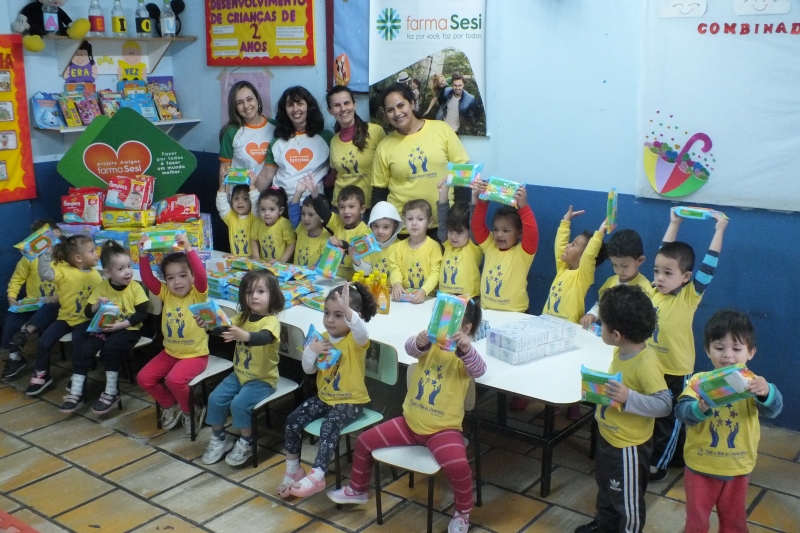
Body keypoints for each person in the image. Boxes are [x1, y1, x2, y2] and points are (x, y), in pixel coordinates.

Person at [327, 300, 485, 533]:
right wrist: (419, 340)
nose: (440, 324)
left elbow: (479, 370)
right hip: (409, 423)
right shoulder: (429, 345)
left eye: (449, 321)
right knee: (364, 441)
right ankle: (358, 489)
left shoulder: (463, 357)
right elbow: (410, 348)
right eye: (437, 317)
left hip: (443, 430)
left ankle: (462, 513)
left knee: (459, 467)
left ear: (466, 329)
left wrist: (467, 349)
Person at [575, 285, 671, 533]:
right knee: (606, 488)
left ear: (616, 334)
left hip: (628, 446)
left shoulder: (646, 363)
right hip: (609, 436)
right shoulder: (623, 350)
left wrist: (629, 398)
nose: (600, 326)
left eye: (602, 323)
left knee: (626, 499)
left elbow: (664, 404)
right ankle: (604, 524)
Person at [676, 310, 782, 533]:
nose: (728, 356)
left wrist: (767, 392)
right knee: (696, 522)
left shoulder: (753, 384)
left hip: (738, 468)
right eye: (719, 348)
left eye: (737, 348)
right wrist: (700, 406)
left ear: (751, 352)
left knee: (735, 522)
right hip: (700, 467)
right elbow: (682, 412)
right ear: (707, 350)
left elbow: (773, 409)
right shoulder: (698, 382)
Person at [648, 208, 728, 482]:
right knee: (652, 416)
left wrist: (719, 231)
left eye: (667, 273)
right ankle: (673, 453)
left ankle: (660, 463)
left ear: (685, 277)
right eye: (657, 271)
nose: (659, 277)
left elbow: (709, 264)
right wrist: (674, 222)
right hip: (651, 368)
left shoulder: (689, 296)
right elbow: (664, 251)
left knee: (669, 421)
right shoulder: (652, 290)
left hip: (676, 371)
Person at [278, 282, 377, 498]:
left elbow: (362, 331)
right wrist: (311, 351)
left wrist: (349, 312)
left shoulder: (356, 340)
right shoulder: (319, 337)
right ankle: (294, 470)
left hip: (352, 401)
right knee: (292, 420)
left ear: (352, 316)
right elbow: (308, 368)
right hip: (325, 398)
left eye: (339, 315)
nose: (330, 319)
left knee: (329, 425)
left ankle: (318, 474)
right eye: (326, 313)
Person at [200, 270, 285, 467]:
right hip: (239, 375)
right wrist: (209, 325)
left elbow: (264, 337)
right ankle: (220, 438)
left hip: (262, 379)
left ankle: (247, 442)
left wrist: (243, 335)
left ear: (273, 295)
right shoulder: (241, 318)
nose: (254, 296)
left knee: (238, 404)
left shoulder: (271, 321)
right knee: (215, 398)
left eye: (261, 291)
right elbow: (224, 330)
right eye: (249, 292)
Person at [61, 241, 149, 414]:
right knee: (83, 348)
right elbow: (87, 312)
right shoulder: (102, 287)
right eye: (121, 269)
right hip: (105, 329)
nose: (128, 272)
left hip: (128, 330)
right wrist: (96, 306)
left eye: (129, 266)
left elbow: (141, 314)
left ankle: (111, 392)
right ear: (108, 272)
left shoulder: (135, 287)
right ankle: (77, 391)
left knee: (110, 350)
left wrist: (120, 325)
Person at [372, 83, 472, 233]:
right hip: (403, 230)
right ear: (386, 115)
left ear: (412, 103)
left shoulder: (441, 129)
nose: (397, 113)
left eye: (401, 105)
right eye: (390, 110)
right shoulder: (384, 146)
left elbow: (463, 172)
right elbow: (379, 192)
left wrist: (459, 217)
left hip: (444, 225)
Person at [136, 234, 209, 436]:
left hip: (195, 355)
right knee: (144, 378)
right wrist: (142, 254)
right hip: (170, 353)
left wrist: (189, 249)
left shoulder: (198, 293)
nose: (177, 282)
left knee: (174, 380)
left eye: (183, 275)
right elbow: (148, 279)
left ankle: (191, 410)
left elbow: (202, 276)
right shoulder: (166, 293)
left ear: (192, 276)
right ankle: (173, 405)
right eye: (170, 277)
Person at [26, 236, 101, 396]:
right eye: (92, 251)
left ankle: (78, 377)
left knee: (79, 346)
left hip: (85, 321)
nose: (97, 254)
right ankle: (41, 375)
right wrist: (45, 254)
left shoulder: (96, 275)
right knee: (44, 342)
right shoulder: (65, 271)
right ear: (78, 258)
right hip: (65, 318)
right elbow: (46, 273)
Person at [255, 86, 333, 200]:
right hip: (280, 203)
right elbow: (266, 176)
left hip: (313, 205)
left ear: (309, 107)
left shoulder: (326, 137)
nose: (295, 109)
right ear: (285, 110)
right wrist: (252, 200)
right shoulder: (277, 141)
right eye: (290, 105)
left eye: (300, 103)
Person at [3, 220, 59, 379]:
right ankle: (15, 358)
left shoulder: (63, 259)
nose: (55, 244)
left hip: (53, 305)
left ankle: (41, 370)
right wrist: (11, 297)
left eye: (58, 239)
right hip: (32, 303)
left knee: (42, 325)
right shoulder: (29, 260)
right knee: (11, 322)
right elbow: (17, 279)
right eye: (50, 240)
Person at [471, 182, 538, 312]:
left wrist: (523, 207)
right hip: (487, 311)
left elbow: (532, 233)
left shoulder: (523, 253)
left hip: (516, 314)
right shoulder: (490, 246)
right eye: (495, 229)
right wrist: (483, 201)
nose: (499, 234)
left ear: (519, 233)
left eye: (506, 230)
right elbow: (477, 226)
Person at [543, 205, 607, 324]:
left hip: (569, 330)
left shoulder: (583, 277)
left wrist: (600, 233)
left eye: (573, 244)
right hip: (547, 324)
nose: (567, 245)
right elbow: (560, 245)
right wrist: (565, 221)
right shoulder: (562, 268)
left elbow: (589, 256)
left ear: (583, 257)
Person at [326, 86, 386, 210]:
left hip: (368, 207)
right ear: (330, 110)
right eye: (337, 105)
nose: (343, 109)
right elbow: (334, 174)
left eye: (347, 103)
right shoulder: (333, 141)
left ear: (354, 105)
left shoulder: (375, 131)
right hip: (340, 208)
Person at [581, 229, 651, 329]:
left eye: (625, 266)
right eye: (614, 265)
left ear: (640, 260)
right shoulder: (610, 282)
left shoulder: (645, 287)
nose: (619, 271)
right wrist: (592, 314)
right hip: (608, 337)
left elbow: (645, 320)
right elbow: (601, 304)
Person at [303, 175, 369, 279]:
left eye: (351, 207)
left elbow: (356, 249)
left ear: (362, 209)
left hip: (351, 281)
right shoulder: (338, 222)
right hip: (331, 277)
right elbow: (323, 212)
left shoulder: (364, 231)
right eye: (342, 207)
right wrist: (314, 194)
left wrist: (341, 243)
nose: (346, 211)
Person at [219, 81, 276, 187]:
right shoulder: (231, 132)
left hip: (268, 198)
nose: (246, 105)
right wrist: (224, 199)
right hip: (239, 198)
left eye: (249, 99)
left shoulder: (276, 127)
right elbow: (224, 171)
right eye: (240, 102)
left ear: (257, 100)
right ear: (235, 107)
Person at [389, 199, 442, 304]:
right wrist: (396, 283)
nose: (414, 223)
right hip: (404, 298)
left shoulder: (434, 246)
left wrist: (424, 291)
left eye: (420, 219)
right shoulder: (399, 246)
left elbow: (435, 273)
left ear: (430, 222)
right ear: (404, 220)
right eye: (409, 219)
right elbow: (395, 268)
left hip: (427, 299)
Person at [437, 180, 482, 298]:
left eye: (459, 232)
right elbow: (442, 220)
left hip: (469, 300)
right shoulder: (447, 244)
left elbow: (475, 223)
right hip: (445, 298)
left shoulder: (473, 246)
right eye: (451, 231)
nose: (453, 236)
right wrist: (443, 193)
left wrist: (474, 196)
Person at [352, 201, 403, 277]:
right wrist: (357, 260)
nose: (380, 231)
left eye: (386, 227)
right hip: (374, 287)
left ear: (394, 227)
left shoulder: (401, 247)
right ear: (370, 226)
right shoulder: (368, 245)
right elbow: (366, 272)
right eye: (376, 226)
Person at [289, 181, 330, 268]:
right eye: (303, 214)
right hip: (295, 279)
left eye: (310, 215)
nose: (306, 218)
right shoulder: (301, 228)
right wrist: (298, 192)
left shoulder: (327, 238)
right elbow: (293, 211)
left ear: (322, 218)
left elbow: (323, 265)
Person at [251, 187, 296, 263]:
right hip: (264, 265)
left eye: (271, 209)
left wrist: (281, 262)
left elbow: (291, 244)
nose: (266, 213)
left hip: (280, 266)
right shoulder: (258, 222)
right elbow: (253, 239)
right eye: (263, 209)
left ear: (280, 210)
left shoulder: (284, 224)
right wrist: (256, 257)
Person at [216, 180, 260, 257]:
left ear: (251, 202)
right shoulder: (230, 217)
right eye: (236, 198)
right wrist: (223, 183)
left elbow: (256, 202)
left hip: (253, 262)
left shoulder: (254, 217)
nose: (240, 202)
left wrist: (252, 185)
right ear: (231, 201)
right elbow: (221, 202)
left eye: (245, 199)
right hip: (236, 262)